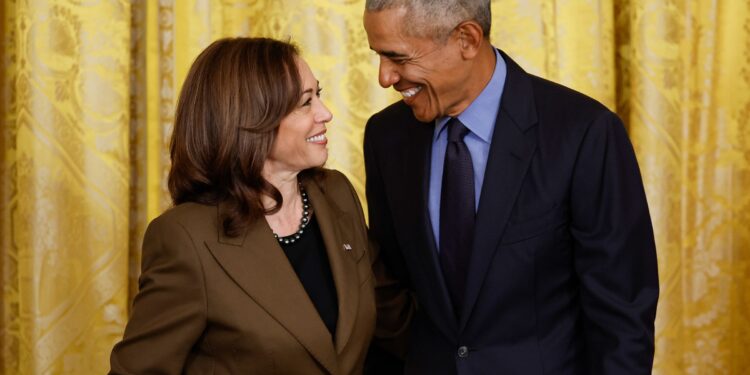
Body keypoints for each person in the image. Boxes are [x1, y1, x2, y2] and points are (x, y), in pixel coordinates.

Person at [362, 1, 659, 374]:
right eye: (377, 56)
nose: (384, 77)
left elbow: (622, 317)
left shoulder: (584, 134)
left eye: (398, 58)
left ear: (466, 39)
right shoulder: (385, 137)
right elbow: (392, 296)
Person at [110, 37, 387, 374]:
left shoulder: (336, 193)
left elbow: (385, 319)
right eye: (305, 102)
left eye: (319, 94)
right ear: (251, 120)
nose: (325, 113)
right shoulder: (185, 238)